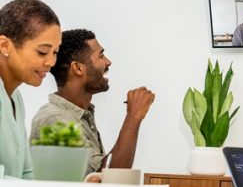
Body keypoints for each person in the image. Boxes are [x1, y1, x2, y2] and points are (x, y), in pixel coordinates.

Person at [30, 29, 155, 175]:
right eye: (101, 55)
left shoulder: (80, 116)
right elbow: (108, 180)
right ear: (77, 68)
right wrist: (133, 117)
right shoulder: (56, 120)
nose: (108, 62)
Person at [0, 0, 61, 179]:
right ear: (4, 45)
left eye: (55, 52)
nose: (51, 62)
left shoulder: (15, 99)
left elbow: (26, 173)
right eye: (42, 51)